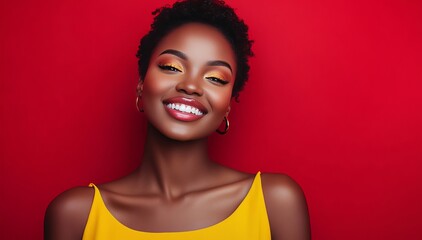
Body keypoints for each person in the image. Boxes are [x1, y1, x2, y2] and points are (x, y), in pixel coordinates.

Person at [44, 0, 311, 239]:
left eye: (216, 78)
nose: (191, 86)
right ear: (141, 85)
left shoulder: (275, 202)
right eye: (172, 67)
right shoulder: (75, 216)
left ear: (228, 105)